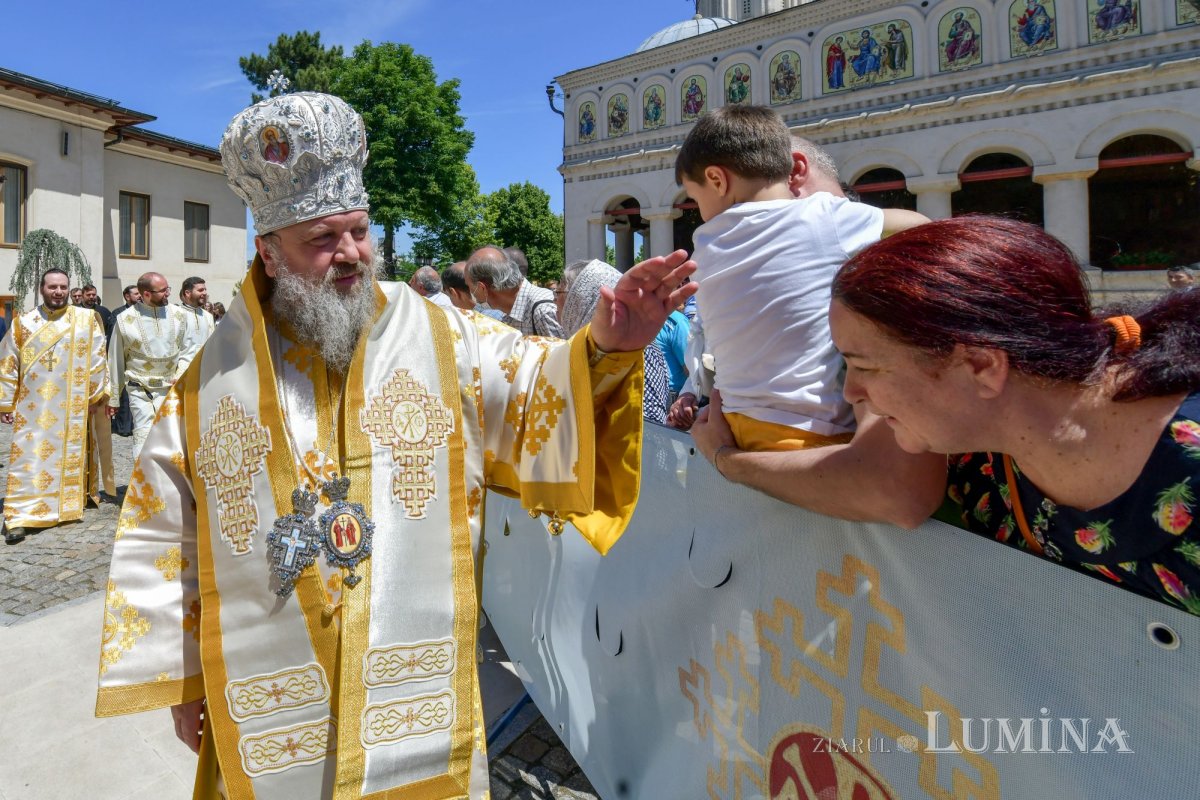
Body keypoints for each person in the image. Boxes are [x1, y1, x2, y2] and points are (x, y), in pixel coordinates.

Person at [95, 91, 695, 796]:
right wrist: (185, 678)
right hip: (273, 688)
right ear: (269, 253)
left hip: (412, 675)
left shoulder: (439, 335)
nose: (351, 253)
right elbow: (166, 531)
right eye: (323, 239)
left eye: (359, 230)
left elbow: (533, 385)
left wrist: (605, 348)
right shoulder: (210, 381)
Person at [695, 215, 1200, 616]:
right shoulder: (973, 454)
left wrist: (725, 459)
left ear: (981, 366)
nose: (852, 392)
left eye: (864, 366)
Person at [673, 105, 926, 451]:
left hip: (735, 423)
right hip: (813, 431)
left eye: (694, 197)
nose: (699, 212)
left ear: (717, 180)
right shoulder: (823, 215)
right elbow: (920, 227)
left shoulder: (705, 245)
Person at [0, 268, 110, 543]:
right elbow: (8, 362)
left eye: (63, 287)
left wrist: (94, 396)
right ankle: (19, 514)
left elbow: (98, 357)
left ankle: (64, 505)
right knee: (28, 458)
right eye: (52, 287)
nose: (58, 292)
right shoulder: (24, 323)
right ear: (42, 289)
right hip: (32, 407)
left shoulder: (85, 319)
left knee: (65, 456)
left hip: (72, 404)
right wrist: (5, 403)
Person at [557, 259, 671, 423]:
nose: (554, 299)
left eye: (559, 292)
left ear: (580, 299)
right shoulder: (578, 347)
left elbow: (649, 423)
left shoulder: (638, 350)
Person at [105, 271, 189, 453]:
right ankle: (143, 472)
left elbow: (187, 350)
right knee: (144, 437)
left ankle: (166, 472)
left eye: (167, 289)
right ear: (146, 294)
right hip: (139, 389)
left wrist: (181, 373)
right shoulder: (125, 320)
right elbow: (116, 359)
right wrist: (113, 398)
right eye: (163, 290)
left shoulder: (179, 315)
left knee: (170, 439)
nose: (168, 293)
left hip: (171, 387)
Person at [466, 245, 564, 337]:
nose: (470, 292)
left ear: (482, 288)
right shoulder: (510, 312)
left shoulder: (543, 310)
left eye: (469, 286)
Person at [179, 276, 216, 370]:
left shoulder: (208, 316)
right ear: (187, 293)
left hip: (204, 368)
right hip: (182, 370)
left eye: (205, 290)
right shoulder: (176, 314)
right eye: (200, 290)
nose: (205, 293)